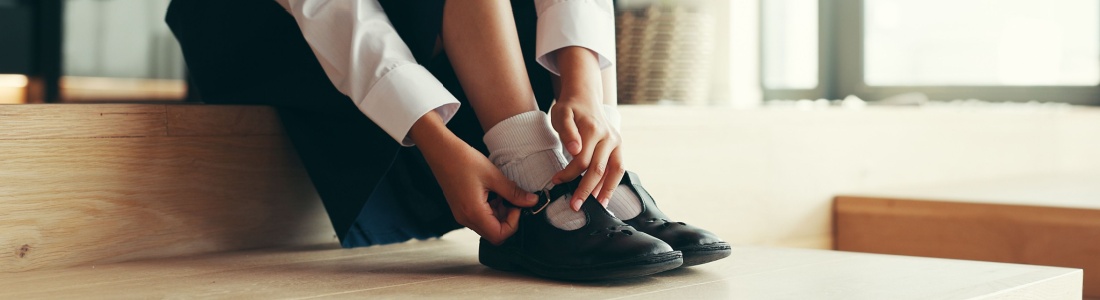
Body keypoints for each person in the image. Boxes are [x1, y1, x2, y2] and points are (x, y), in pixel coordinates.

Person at [166, 0, 728, 280]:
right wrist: (430, 135)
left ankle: (589, 186)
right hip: (270, 25)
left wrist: (583, 81)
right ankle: (537, 179)